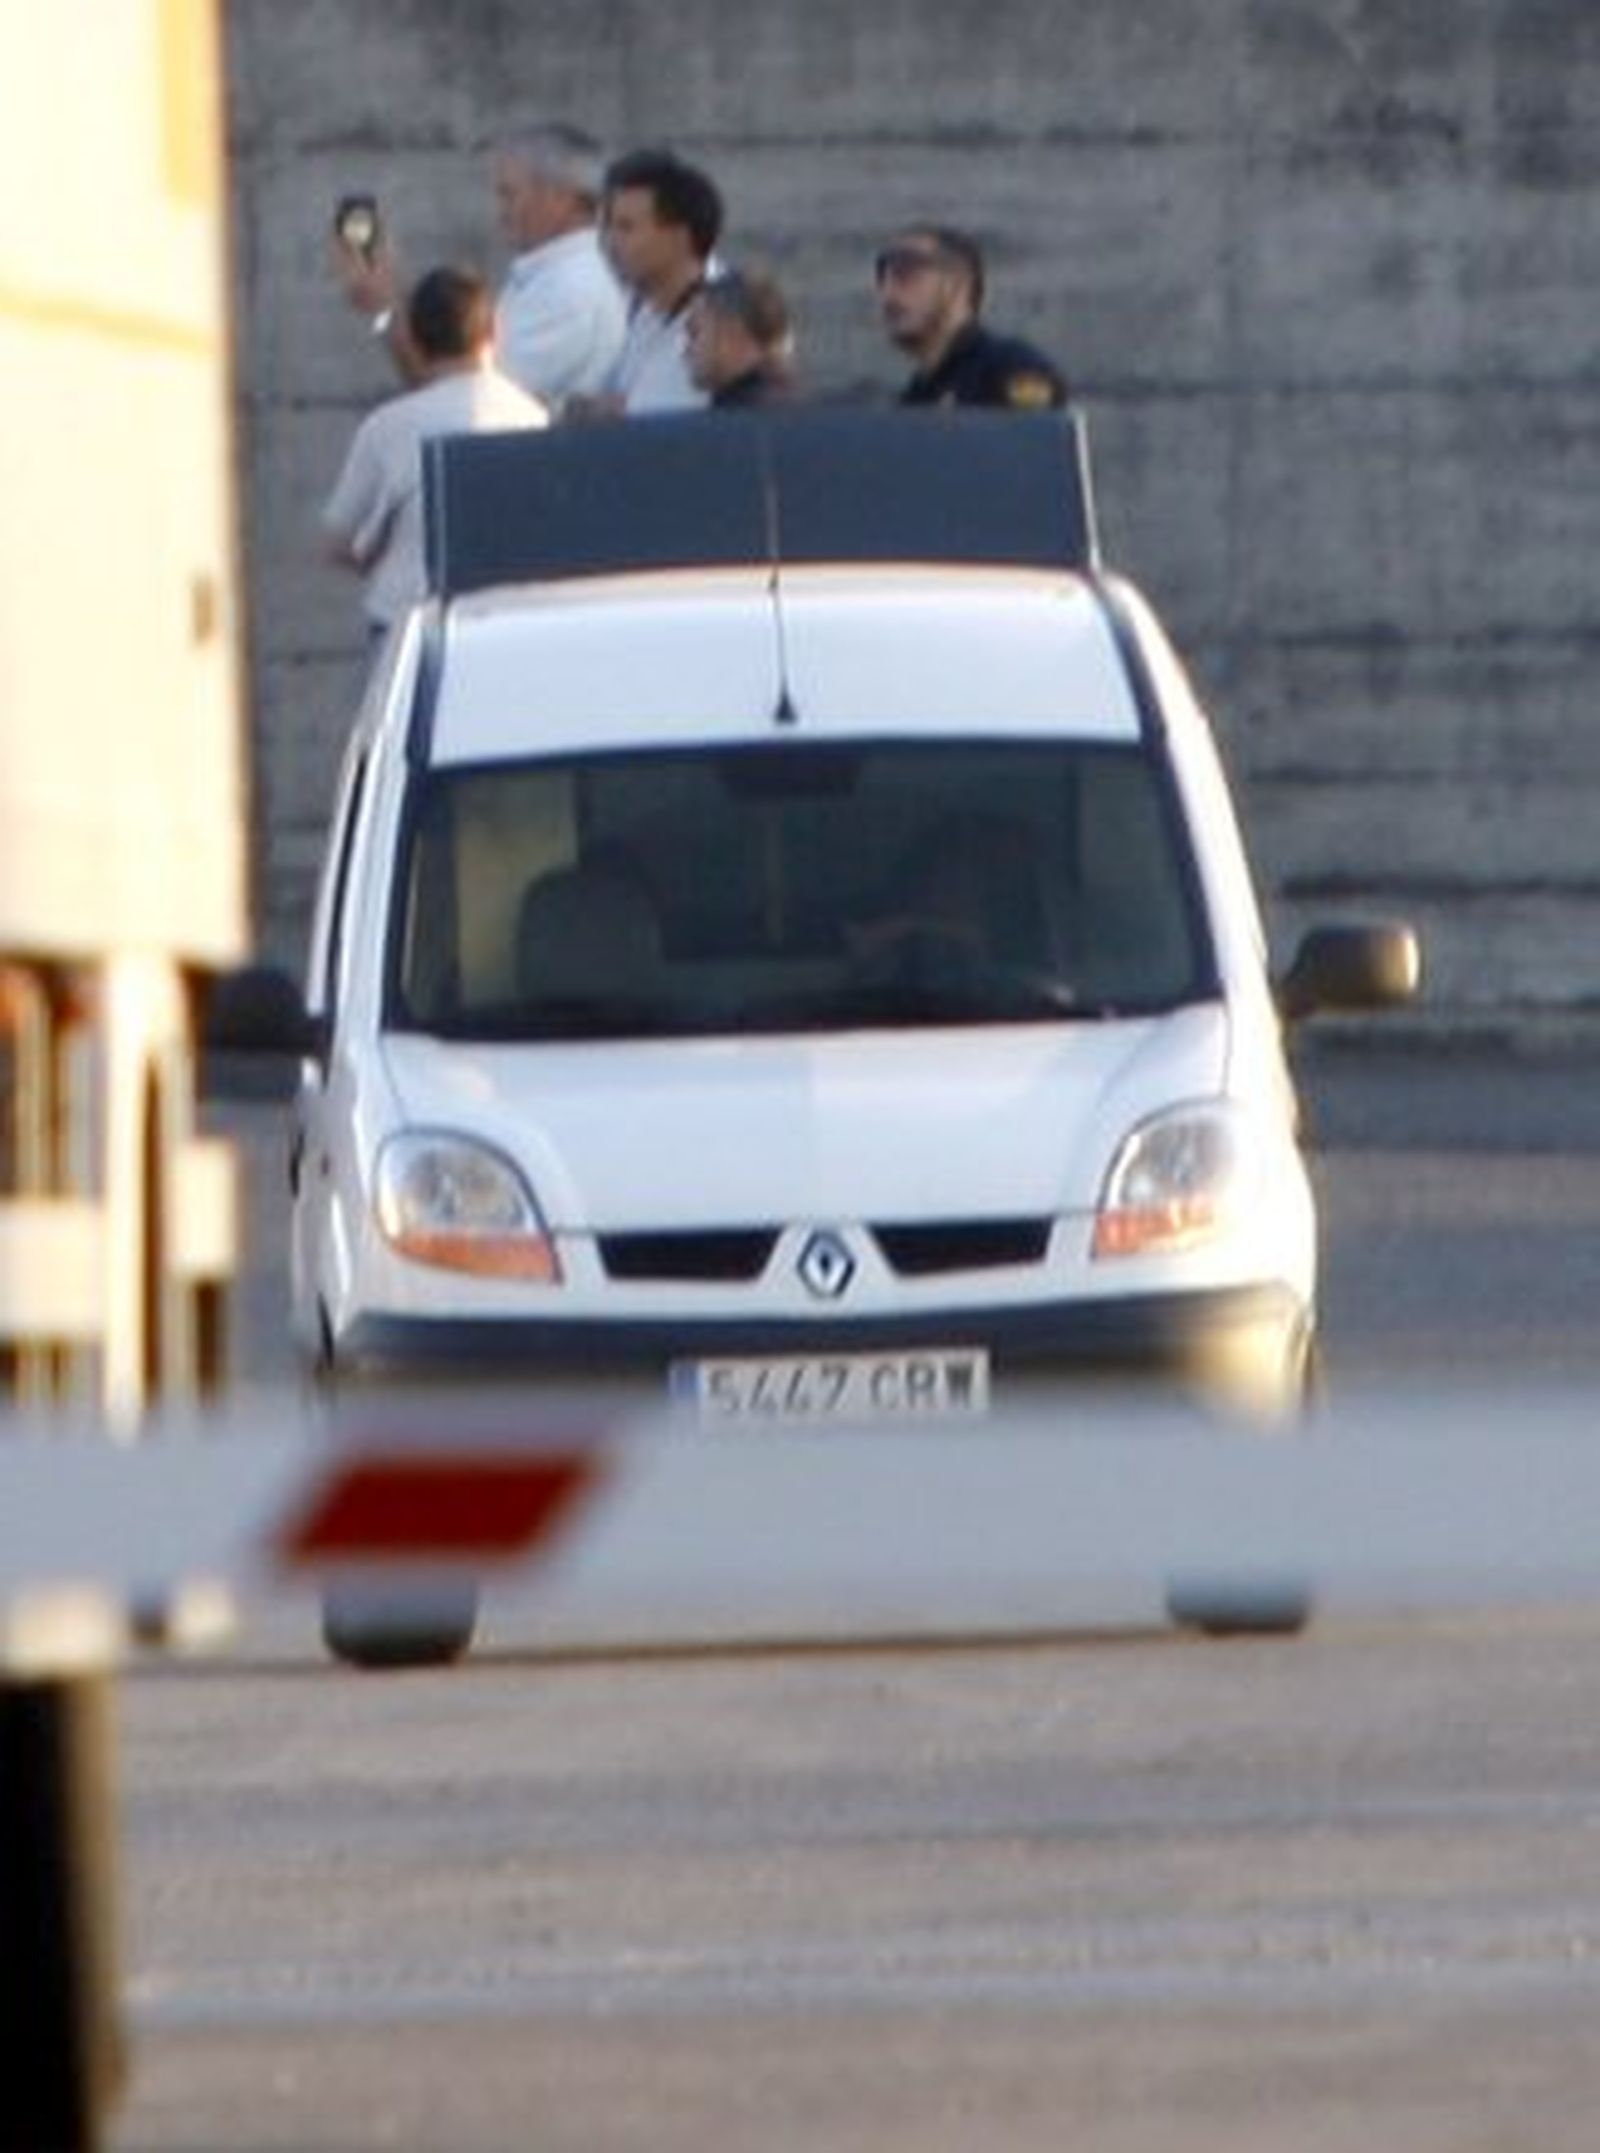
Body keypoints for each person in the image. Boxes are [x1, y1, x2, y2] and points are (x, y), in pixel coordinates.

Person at [321, 267, 548, 643]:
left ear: (414, 339)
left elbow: (338, 541)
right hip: (506, 618)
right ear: (494, 330)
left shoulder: (388, 426)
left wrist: (373, 553)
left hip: (405, 619)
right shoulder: (534, 419)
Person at [332, 123, 626, 410]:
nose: (500, 212)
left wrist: (384, 310)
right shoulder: (561, 277)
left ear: (560, 198)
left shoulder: (571, 288)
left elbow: (462, 401)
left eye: (509, 194)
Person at [585, 147, 724, 414]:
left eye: (626, 228)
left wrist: (616, 410)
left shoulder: (733, 315)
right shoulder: (641, 310)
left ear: (679, 236)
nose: (609, 243)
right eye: (607, 227)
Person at [874, 224, 1069, 410]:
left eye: (906, 274)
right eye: (882, 278)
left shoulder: (1011, 369)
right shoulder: (915, 399)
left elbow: (1034, 440)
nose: (888, 294)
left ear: (958, 282)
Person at [685, 267, 798, 408]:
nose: (686, 350)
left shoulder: (742, 419)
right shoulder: (798, 411)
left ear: (732, 335)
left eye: (695, 332)